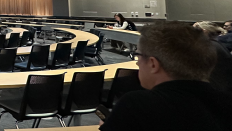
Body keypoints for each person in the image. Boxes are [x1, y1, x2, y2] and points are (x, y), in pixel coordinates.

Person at [99, 22, 232, 131]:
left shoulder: (137, 105)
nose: (137, 62)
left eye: (138, 55)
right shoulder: (225, 102)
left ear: (153, 64)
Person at [193, 21, 232, 94]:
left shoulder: (209, 47)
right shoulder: (215, 44)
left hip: (218, 89)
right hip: (222, 86)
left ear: (204, 31)